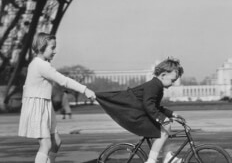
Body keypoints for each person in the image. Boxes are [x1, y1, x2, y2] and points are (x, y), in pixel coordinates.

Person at [18, 32, 96, 163]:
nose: (55, 51)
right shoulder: (41, 65)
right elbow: (64, 80)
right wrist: (85, 89)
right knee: (46, 145)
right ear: (42, 47)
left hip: (44, 106)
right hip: (38, 107)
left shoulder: (38, 63)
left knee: (56, 142)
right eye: (52, 48)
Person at [97, 57, 185, 163]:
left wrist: (172, 114)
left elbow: (155, 107)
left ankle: (166, 156)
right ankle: (152, 160)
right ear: (163, 75)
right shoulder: (154, 86)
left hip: (138, 115)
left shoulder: (157, 86)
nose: (173, 83)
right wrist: (163, 119)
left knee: (164, 129)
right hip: (136, 117)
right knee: (166, 126)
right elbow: (149, 105)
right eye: (172, 80)